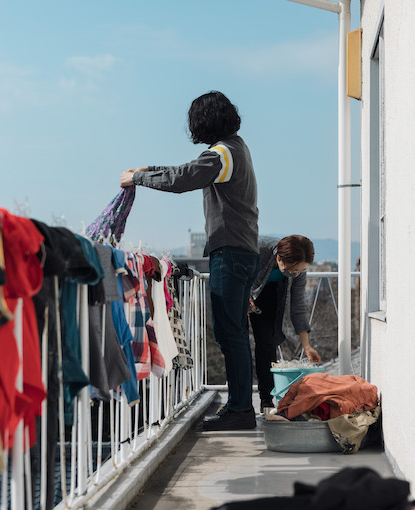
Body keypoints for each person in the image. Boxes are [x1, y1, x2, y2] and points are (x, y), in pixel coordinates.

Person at [120, 91, 259, 431]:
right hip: (243, 249)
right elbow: (187, 170)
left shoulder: (222, 153)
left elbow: (184, 177)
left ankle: (240, 411)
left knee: (230, 335)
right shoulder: (237, 148)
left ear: (204, 122)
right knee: (236, 334)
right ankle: (240, 408)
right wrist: (148, 169)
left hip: (230, 251)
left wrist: (138, 177)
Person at [249, 235, 321, 412]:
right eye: (292, 270)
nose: (295, 274)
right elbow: (240, 273)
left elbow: (298, 306)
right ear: (278, 258)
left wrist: (307, 346)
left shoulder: (297, 270)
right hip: (245, 287)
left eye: (299, 271)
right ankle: (240, 400)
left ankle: (267, 399)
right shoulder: (259, 249)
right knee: (240, 344)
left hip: (272, 292)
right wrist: (245, 296)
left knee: (267, 344)